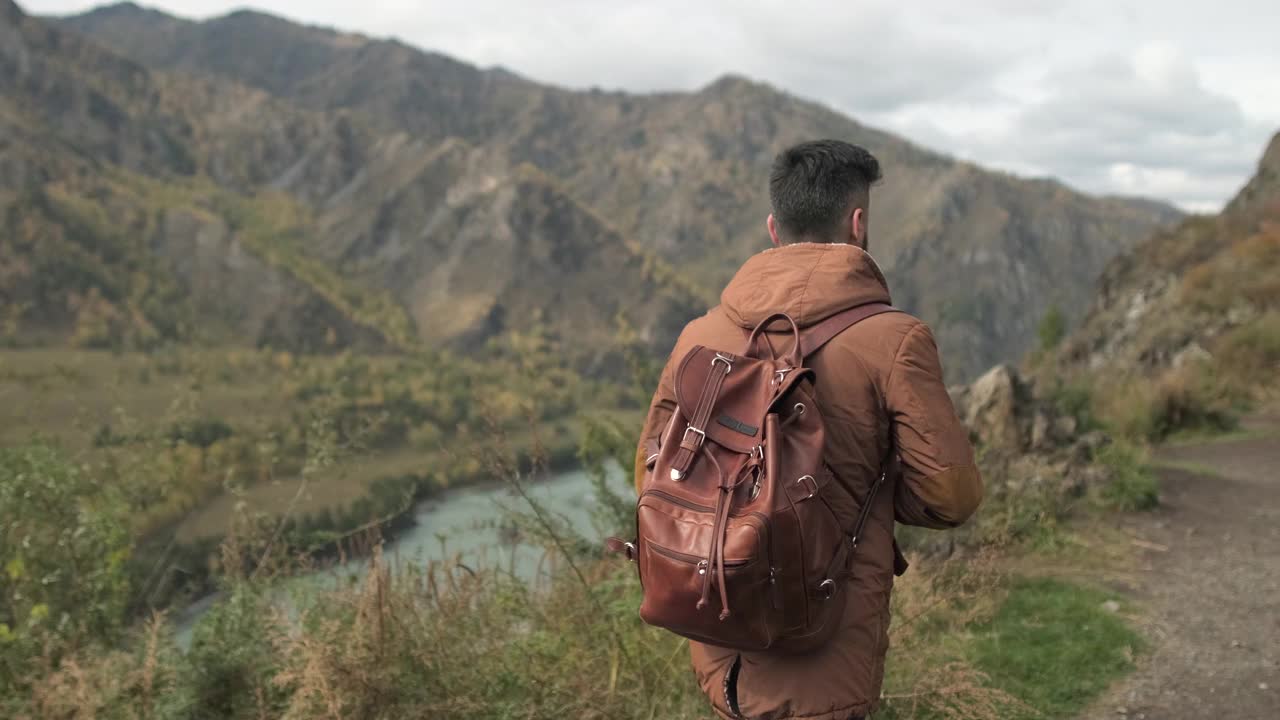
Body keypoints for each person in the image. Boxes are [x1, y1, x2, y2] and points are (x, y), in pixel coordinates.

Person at [634, 139, 983, 720]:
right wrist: (865, 492)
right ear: (858, 223)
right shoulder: (894, 341)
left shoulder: (699, 335)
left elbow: (651, 469)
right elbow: (951, 495)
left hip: (716, 619)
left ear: (774, 227)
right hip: (827, 639)